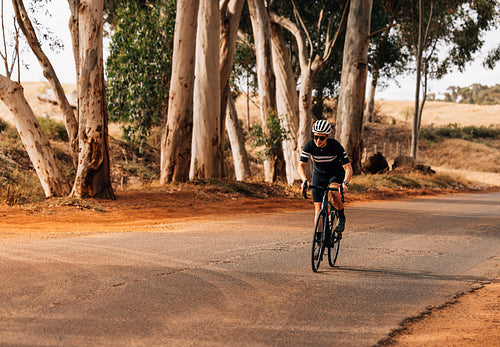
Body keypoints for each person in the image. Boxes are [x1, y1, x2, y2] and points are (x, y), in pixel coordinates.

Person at [298, 119, 353, 237]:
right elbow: (301, 166)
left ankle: (341, 216)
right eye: (316, 137)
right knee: (318, 210)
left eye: (322, 138)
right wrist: (304, 180)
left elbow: (348, 168)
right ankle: (318, 241)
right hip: (319, 175)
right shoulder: (310, 145)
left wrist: (345, 183)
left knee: (333, 190)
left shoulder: (335, 145)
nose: (318, 140)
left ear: (327, 136)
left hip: (335, 174)